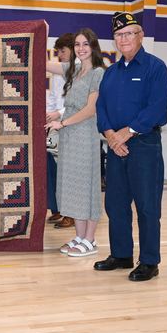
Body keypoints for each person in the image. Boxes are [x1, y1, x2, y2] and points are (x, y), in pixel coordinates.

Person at [94, 12, 167, 281]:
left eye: (129, 33)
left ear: (140, 36)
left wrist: (125, 134)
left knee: (147, 206)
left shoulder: (155, 68)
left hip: (144, 145)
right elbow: (101, 107)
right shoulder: (111, 73)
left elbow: (156, 107)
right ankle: (122, 254)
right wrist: (110, 135)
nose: (123, 39)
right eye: (118, 35)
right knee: (115, 205)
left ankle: (150, 261)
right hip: (116, 147)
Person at [45, 28, 107, 257]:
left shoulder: (98, 73)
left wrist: (63, 122)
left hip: (84, 134)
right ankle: (80, 237)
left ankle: (90, 240)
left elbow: (91, 109)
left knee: (86, 187)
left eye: (85, 45)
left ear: (93, 47)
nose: (81, 49)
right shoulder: (76, 69)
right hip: (70, 134)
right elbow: (45, 65)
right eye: (77, 45)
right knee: (72, 187)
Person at [45, 33, 76, 229]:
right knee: (54, 169)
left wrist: (58, 113)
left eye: (63, 51)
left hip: (74, 125)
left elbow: (80, 104)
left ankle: (72, 213)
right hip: (56, 125)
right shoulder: (58, 73)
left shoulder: (83, 71)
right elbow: (54, 98)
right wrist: (47, 116)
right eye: (58, 52)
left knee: (69, 172)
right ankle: (57, 208)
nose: (60, 55)